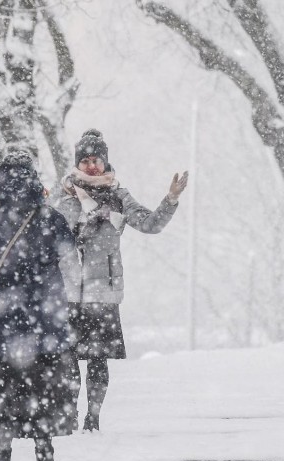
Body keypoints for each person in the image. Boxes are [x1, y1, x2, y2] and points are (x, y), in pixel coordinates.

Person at [55, 129, 188, 432]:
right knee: (68, 360)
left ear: (105, 162)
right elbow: (43, 230)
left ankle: (94, 417)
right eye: (85, 160)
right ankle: (71, 415)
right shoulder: (64, 195)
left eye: (96, 160)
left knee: (98, 360)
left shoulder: (119, 196)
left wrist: (170, 199)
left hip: (104, 292)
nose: (91, 166)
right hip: (69, 291)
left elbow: (150, 224)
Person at [0, 150, 78, 461]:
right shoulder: (48, 217)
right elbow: (67, 249)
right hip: (41, 326)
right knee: (41, 391)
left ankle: (1, 456)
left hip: (0, 325)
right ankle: (45, 454)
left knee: (1, 389)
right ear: (33, 178)